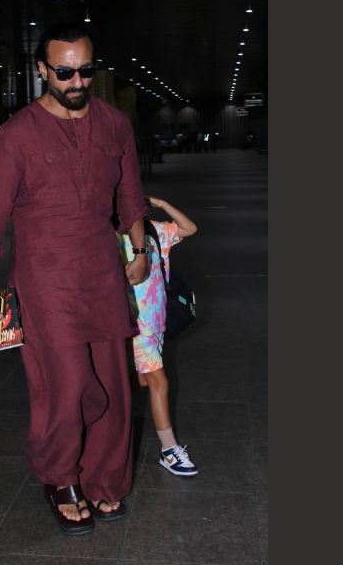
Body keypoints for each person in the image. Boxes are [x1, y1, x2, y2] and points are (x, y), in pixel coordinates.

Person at [0, 23, 148, 536]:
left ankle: (105, 478)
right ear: (43, 70)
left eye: (85, 72)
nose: (76, 82)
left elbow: (130, 194)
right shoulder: (16, 135)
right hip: (45, 280)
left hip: (103, 272)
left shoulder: (114, 124)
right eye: (64, 73)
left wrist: (139, 250)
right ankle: (61, 477)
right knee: (66, 384)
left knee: (113, 385)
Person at [117, 196, 199, 476]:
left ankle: (104, 406)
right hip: (136, 325)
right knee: (159, 382)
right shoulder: (115, 238)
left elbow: (189, 228)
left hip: (157, 322)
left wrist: (162, 204)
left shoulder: (154, 230)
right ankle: (169, 450)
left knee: (142, 379)